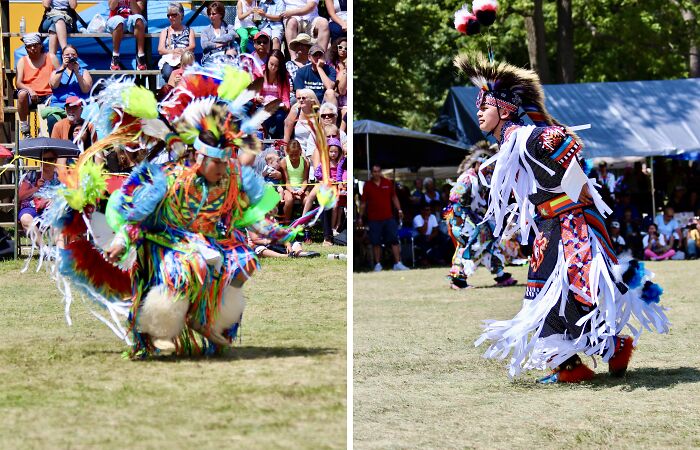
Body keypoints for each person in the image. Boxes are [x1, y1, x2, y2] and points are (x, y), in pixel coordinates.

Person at [31, 67, 332, 357]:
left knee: (243, 260)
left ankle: (210, 320)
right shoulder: (171, 179)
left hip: (210, 241)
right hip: (166, 241)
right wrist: (123, 238)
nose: (221, 169)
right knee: (189, 264)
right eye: (216, 163)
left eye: (225, 163)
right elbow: (139, 215)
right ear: (201, 157)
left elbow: (250, 217)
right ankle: (158, 326)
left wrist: (284, 230)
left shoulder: (232, 179)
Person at [457, 52, 669, 383]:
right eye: (478, 106)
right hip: (548, 227)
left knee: (570, 295)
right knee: (543, 299)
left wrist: (579, 183)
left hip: (571, 227)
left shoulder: (526, 137)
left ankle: (612, 349)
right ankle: (572, 365)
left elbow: (562, 141)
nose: (479, 111)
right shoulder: (513, 141)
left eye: (485, 105)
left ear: (506, 107)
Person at [444, 144, 516, 289]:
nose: (489, 169)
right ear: (478, 163)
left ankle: (501, 275)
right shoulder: (467, 179)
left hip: (478, 218)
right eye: (486, 166)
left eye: (491, 166)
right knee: (472, 245)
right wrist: (458, 219)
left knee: (490, 242)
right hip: (463, 218)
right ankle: (458, 279)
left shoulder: (485, 179)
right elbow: (454, 198)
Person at [358, 164, 410, 272]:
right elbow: (363, 203)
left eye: (378, 171)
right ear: (371, 173)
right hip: (373, 219)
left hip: (388, 218)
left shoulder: (388, 182)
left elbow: (394, 197)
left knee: (394, 240)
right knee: (376, 242)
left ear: (381, 172)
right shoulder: (367, 185)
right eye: (374, 171)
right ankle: (378, 264)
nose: (376, 173)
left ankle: (398, 263)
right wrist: (360, 217)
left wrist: (399, 210)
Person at [15, 33, 61, 138]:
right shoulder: (22, 61)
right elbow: (18, 83)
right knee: (21, 95)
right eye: (29, 46)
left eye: (35, 45)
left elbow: (61, 75)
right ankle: (25, 128)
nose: (33, 48)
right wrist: (30, 90)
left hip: (49, 95)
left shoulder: (51, 57)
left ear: (40, 45)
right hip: (30, 95)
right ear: (26, 48)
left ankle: (45, 131)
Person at [18, 150, 61, 235]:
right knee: (25, 219)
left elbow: (67, 196)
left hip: (52, 209)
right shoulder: (32, 175)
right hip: (31, 208)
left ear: (55, 161)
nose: (47, 162)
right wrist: (36, 188)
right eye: (44, 159)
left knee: (59, 219)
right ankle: (43, 248)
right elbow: (20, 196)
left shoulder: (60, 178)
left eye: (50, 159)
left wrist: (55, 200)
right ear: (40, 161)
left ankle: (58, 247)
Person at [157, 2, 196, 84]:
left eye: (174, 15)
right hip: (170, 58)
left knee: (188, 72)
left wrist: (182, 50)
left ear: (181, 15)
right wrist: (173, 51)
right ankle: (172, 90)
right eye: (169, 15)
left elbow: (192, 46)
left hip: (185, 58)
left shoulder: (189, 30)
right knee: (167, 72)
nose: (171, 18)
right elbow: (160, 50)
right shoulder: (165, 31)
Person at [256, 49, 290, 139]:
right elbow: (253, 90)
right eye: (271, 64)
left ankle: (278, 138)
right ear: (267, 62)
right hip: (262, 104)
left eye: (276, 66)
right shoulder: (260, 72)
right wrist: (257, 97)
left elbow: (286, 97)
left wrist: (285, 105)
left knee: (280, 116)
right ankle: (265, 136)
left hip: (277, 105)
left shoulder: (283, 76)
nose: (273, 68)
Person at [106, 0, 147, 71]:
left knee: (139, 19)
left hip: (131, 20)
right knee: (119, 21)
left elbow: (137, 12)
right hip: (115, 18)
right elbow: (111, 7)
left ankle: (141, 56)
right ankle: (115, 57)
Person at [283, 88, 319, 160]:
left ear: (312, 100)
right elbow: (286, 137)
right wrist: (287, 155)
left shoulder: (319, 113)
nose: (301, 100)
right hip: (297, 151)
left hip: (314, 151)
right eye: (299, 98)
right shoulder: (295, 112)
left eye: (304, 98)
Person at [200, 1, 239, 66]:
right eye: (209, 14)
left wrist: (212, 41)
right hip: (210, 58)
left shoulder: (229, 27)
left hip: (226, 58)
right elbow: (204, 45)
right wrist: (219, 45)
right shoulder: (205, 30)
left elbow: (230, 36)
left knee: (231, 54)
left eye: (213, 14)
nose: (211, 16)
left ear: (221, 14)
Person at [279, 139, 309, 223]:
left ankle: (304, 224)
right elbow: (287, 182)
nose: (294, 157)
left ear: (300, 151)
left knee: (307, 200)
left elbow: (305, 180)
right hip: (289, 188)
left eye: (296, 154)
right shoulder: (284, 162)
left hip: (302, 188)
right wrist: (292, 191)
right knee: (289, 200)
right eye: (291, 155)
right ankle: (286, 223)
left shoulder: (305, 162)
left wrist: (302, 190)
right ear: (287, 152)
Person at [285, 33, 313, 104]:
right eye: (298, 45)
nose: (300, 47)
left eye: (303, 45)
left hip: (312, 93)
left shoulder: (313, 64)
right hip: (294, 95)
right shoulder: (289, 64)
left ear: (309, 48)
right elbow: (289, 86)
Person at [327, 37, 347, 115]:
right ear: (336, 48)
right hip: (333, 95)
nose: (343, 50)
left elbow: (342, 91)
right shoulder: (330, 64)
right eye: (340, 47)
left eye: (346, 48)